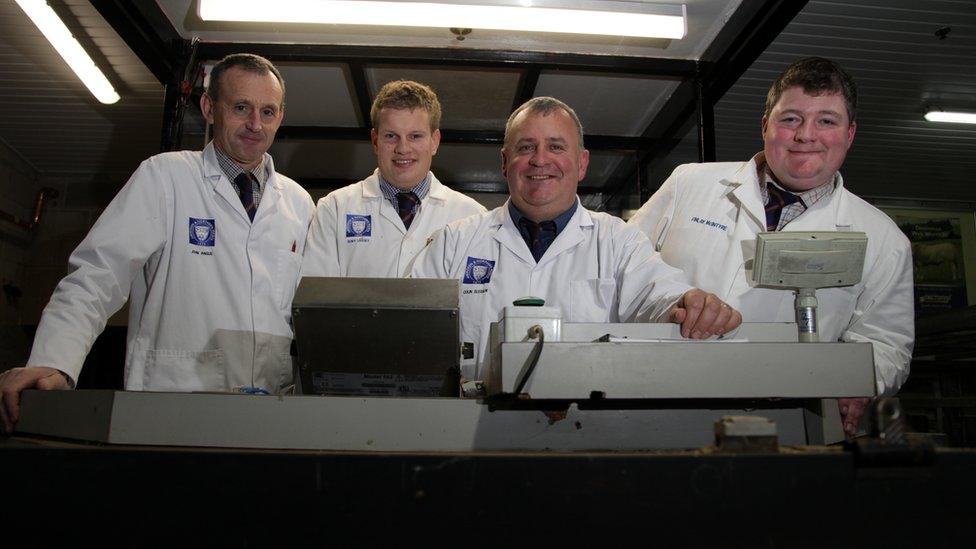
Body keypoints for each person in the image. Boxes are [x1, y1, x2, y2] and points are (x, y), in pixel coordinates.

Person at [0, 53, 314, 433]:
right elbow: (98, 274)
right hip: (172, 402)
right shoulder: (165, 177)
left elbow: (308, 310)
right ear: (209, 107)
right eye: (241, 107)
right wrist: (54, 361)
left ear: (280, 117)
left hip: (270, 409)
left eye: (267, 111)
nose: (254, 124)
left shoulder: (298, 203)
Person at [627, 57, 914, 435]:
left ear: (850, 134)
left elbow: (886, 344)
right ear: (766, 125)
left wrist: (860, 384)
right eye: (791, 118)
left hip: (793, 419)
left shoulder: (883, 238)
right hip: (661, 400)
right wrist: (672, 302)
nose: (805, 135)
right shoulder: (689, 184)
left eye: (826, 121)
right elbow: (624, 267)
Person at [411, 97, 741, 381]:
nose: (540, 160)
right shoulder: (454, 242)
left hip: (583, 428)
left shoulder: (618, 242)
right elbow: (412, 322)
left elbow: (658, 295)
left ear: (581, 163)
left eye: (556, 146)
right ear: (504, 162)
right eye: (526, 147)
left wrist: (689, 305)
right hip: (471, 427)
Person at [301, 80, 485, 278]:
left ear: (434, 141)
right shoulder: (334, 209)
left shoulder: (472, 216)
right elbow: (318, 300)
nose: (403, 148)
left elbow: (477, 302)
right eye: (391, 136)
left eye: (415, 136)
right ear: (375, 141)